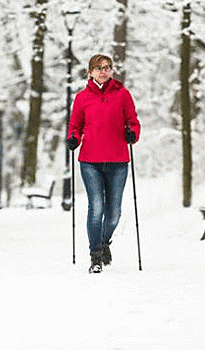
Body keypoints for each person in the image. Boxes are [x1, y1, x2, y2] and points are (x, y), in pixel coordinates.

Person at [66, 54, 141, 273]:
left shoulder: (123, 95)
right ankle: (95, 256)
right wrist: (73, 138)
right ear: (90, 72)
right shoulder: (82, 98)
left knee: (114, 212)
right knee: (96, 207)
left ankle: (104, 242)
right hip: (90, 162)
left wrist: (132, 134)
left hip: (118, 161)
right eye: (98, 68)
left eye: (107, 67)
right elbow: (75, 125)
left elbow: (133, 122)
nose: (103, 71)